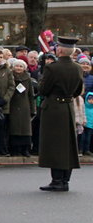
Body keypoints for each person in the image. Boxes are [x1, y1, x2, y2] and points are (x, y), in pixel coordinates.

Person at [37, 36, 84, 191]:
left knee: (54, 144)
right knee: (69, 144)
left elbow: (43, 90)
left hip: (54, 108)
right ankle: (65, 180)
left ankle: (57, 180)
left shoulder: (52, 68)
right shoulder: (78, 67)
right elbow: (78, 90)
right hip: (68, 106)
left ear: (61, 50)